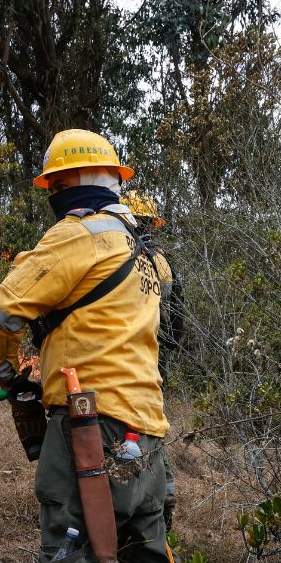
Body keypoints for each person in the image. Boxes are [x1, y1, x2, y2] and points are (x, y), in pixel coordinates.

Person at [0, 129, 203, 563]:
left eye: (53, 184)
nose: (52, 192)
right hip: (147, 423)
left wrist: (7, 371)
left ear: (63, 185)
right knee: (146, 542)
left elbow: (4, 310)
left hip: (88, 422)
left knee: (73, 541)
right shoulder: (149, 249)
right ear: (113, 180)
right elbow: (170, 335)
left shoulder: (75, 236)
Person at [121, 190, 184, 530]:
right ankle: (162, 499)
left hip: (128, 356)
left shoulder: (121, 255)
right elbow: (177, 321)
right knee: (150, 427)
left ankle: (148, 500)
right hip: (155, 360)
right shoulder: (162, 263)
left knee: (125, 427)